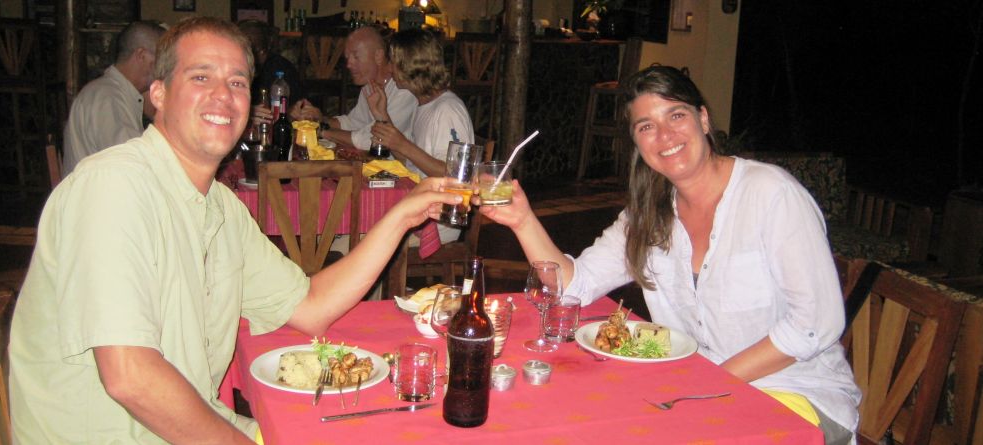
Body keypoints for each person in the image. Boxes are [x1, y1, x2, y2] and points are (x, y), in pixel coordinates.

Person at [8, 17, 463, 444]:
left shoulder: (221, 208)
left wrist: (402, 215)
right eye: (201, 77)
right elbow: (131, 376)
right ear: (159, 94)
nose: (223, 96)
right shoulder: (113, 187)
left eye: (238, 82)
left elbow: (311, 306)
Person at [480, 66, 860, 445]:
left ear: (704, 118)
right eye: (646, 126)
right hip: (699, 392)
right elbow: (574, 284)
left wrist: (709, 383)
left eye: (676, 115)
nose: (664, 135)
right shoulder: (648, 214)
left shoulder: (770, 194)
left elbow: (817, 323)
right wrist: (522, 220)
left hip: (796, 397)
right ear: (638, 145)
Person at [368, 28, 474, 179]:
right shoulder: (422, 104)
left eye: (392, 62)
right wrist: (382, 115)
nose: (389, 69)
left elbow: (456, 174)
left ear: (411, 66)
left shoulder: (448, 110)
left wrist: (403, 144)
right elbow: (412, 165)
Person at [62, 20, 165, 175]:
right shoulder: (109, 97)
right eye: (161, 59)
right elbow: (132, 164)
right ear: (141, 56)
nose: (164, 68)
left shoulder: (113, 92)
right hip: (99, 197)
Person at [293, 26, 417, 153]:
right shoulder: (370, 86)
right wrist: (318, 118)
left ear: (378, 55)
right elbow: (354, 123)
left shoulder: (404, 90)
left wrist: (320, 131)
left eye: (356, 57)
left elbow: (370, 140)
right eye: (347, 57)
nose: (348, 64)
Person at [237, 19, 302, 120]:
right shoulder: (229, 69)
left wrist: (287, 111)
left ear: (263, 51)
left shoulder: (282, 69)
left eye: (255, 50)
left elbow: (297, 108)